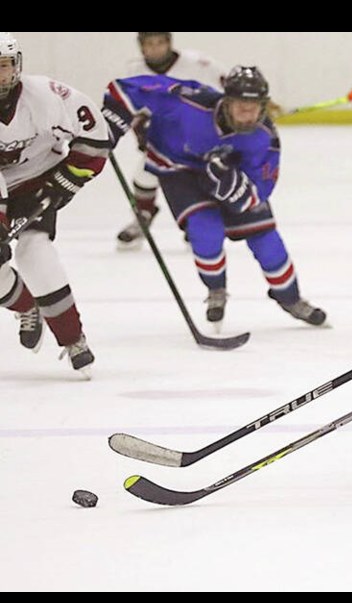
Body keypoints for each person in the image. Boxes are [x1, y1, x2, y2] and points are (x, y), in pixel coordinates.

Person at [102, 65, 327, 328]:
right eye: (242, 105)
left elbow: (259, 191)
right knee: (205, 231)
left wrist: (229, 183)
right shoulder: (188, 100)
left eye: (254, 106)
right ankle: (216, 291)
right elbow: (126, 88)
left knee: (267, 241)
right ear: (226, 101)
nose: (248, 113)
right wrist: (110, 126)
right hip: (178, 170)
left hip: (229, 174)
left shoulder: (264, 137)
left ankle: (290, 299)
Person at [0, 32, 110, 378]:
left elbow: (94, 139)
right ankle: (26, 305)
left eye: (2, 66)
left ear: (16, 66)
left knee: (34, 252)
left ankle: (72, 338)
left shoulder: (47, 96)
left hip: (38, 180)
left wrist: (67, 179)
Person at [115, 32, 229, 250]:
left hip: (200, 139)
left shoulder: (198, 64)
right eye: (150, 44)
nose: (156, 48)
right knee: (145, 175)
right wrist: (139, 130)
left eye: (160, 43)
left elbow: (229, 88)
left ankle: (198, 224)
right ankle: (142, 218)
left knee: (198, 179)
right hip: (164, 141)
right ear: (141, 47)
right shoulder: (134, 72)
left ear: (169, 43)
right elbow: (129, 109)